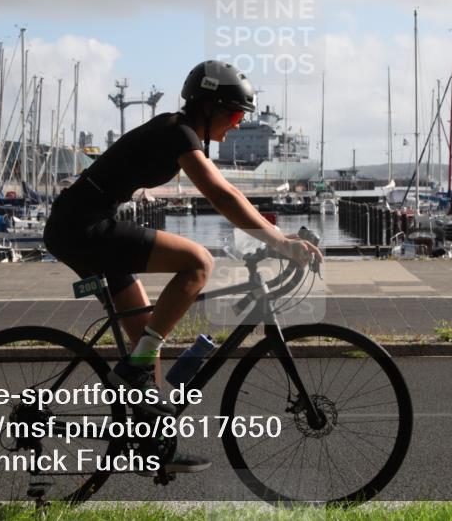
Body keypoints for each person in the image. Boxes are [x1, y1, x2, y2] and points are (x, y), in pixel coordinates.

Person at [43, 60, 321, 473]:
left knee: (146, 341)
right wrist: (278, 241)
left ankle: (154, 449)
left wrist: (270, 236)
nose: (238, 124)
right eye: (235, 114)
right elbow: (220, 193)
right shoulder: (178, 133)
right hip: (83, 229)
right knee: (198, 262)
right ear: (208, 108)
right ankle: (138, 385)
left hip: (82, 225)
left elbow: (223, 193)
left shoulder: (177, 129)